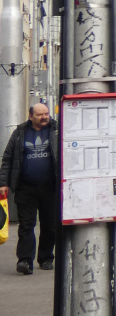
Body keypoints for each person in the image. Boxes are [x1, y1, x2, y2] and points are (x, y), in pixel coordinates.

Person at [0, 104, 60, 275]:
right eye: (40, 114)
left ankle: (46, 258)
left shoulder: (56, 131)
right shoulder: (20, 133)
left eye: (46, 114)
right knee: (26, 225)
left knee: (50, 225)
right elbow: (8, 158)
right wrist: (3, 182)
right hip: (25, 188)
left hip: (50, 187)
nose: (44, 117)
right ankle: (25, 260)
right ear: (31, 116)